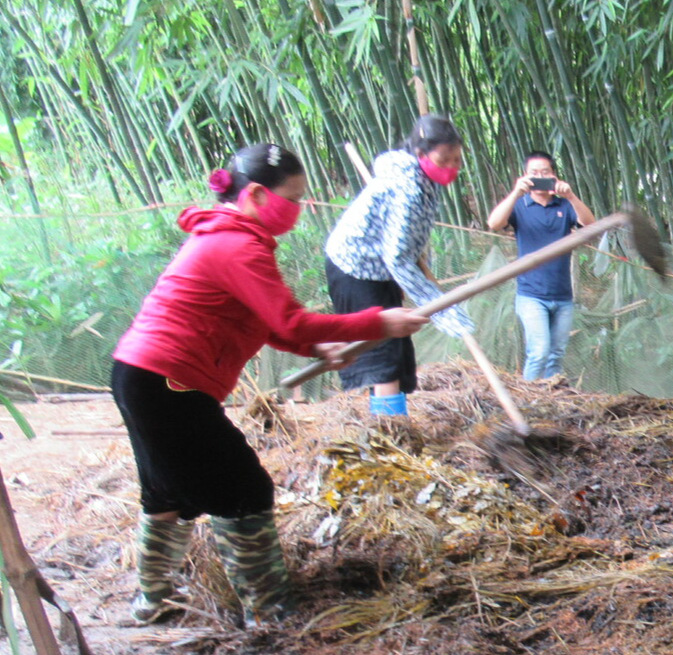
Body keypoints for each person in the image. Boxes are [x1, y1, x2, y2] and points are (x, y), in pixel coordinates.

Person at [112, 144, 427, 624]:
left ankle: (152, 600)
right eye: (294, 199)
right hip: (169, 381)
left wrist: (318, 350)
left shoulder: (229, 237)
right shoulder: (236, 244)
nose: (298, 210)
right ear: (257, 194)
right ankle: (270, 613)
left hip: (141, 375)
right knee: (243, 490)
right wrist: (377, 322)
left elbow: (272, 327)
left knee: (165, 495)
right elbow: (292, 321)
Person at [322, 114, 476, 415]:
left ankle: (391, 419)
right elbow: (397, 256)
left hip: (380, 268)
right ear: (421, 155)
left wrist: (414, 280)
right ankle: (389, 434)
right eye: (445, 159)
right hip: (355, 267)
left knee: (399, 347)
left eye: (457, 159)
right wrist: (438, 304)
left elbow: (412, 239)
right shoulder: (408, 187)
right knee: (383, 349)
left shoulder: (424, 179)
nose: (452, 167)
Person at [485, 151, 595, 379]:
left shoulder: (564, 206)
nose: (539, 176)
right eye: (534, 173)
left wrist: (572, 196)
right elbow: (494, 223)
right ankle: (527, 403)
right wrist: (516, 192)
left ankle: (551, 401)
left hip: (563, 295)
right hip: (531, 295)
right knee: (539, 351)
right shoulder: (519, 206)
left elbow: (591, 226)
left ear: (554, 175)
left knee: (556, 354)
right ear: (525, 176)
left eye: (545, 172)